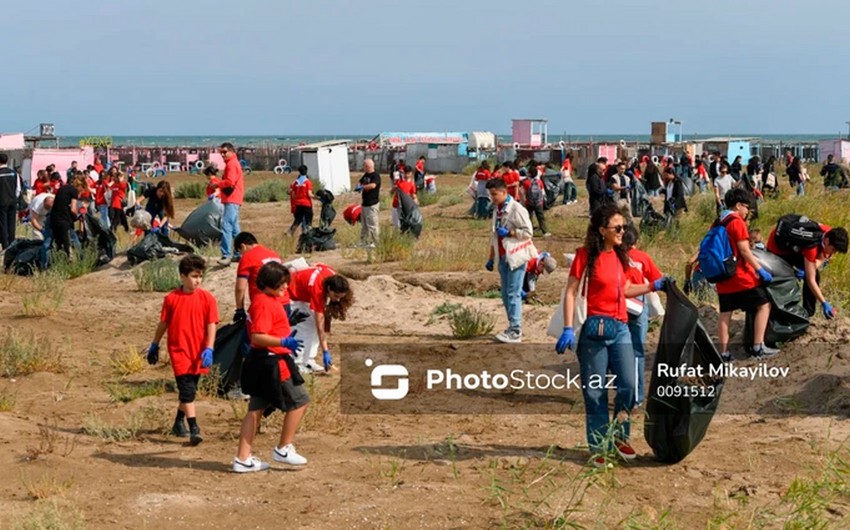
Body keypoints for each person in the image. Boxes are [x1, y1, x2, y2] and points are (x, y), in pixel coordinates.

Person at [555, 204, 669, 466]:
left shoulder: (620, 257)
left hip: (620, 329)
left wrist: (654, 286)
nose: (622, 232)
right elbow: (571, 292)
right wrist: (568, 328)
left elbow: (626, 289)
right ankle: (598, 447)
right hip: (594, 330)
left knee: (629, 385)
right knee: (595, 393)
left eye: (624, 227)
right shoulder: (585, 256)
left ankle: (620, 436)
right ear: (601, 230)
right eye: (617, 228)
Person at [232, 261, 308, 473]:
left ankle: (242, 458)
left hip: (263, 361)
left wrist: (287, 326)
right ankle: (283, 448)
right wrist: (283, 343)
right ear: (270, 282)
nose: (286, 287)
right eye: (282, 283)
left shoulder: (265, 300)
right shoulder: (264, 303)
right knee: (300, 401)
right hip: (271, 362)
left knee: (256, 410)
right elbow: (257, 336)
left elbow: (267, 328)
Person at [145, 255, 219, 445]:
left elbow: (211, 324)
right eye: (194, 276)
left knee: (190, 390)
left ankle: (178, 422)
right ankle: (194, 428)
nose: (198, 280)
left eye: (200, 276)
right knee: (187, 390)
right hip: (179, 351)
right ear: (182, 276)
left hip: (198, 352)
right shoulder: (171, 299)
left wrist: (209, 348)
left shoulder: (207, 299)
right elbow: (164, 323)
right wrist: (155, 343)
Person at [712, 188, 777, 361]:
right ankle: (758, 347)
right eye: (746, 207)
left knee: (725, 314)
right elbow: (745, 251)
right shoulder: (736, 222)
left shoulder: (719, 220)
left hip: (722, 276)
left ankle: (724, 353)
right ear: (739, 205)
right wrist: (760, 270)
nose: (747, 211)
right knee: (764, 304)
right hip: (740, 276)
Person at [484, 177, 534, 344]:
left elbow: (528, 232)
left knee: (513, 293)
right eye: (491, 195)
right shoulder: (497, 210)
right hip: (503, 257)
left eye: (494, 194)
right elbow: (494, 236)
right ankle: (512, 326)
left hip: (516, 257)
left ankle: (516, 329)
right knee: (506, 294)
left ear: (504, 192)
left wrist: (511, 233)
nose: (492, 198)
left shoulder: (516, 209)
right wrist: (491, 258)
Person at [767, 222, 848, 319]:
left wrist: (808, 270)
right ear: (826, 241)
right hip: (777, 249)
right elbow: (811, 280)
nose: (833, 253)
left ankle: (807, 314)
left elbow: (821, 258)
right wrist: (824, 302)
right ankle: (778, 312)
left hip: (797, 248)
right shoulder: (811, 247)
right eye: (833, 250)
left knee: (813, 273)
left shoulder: (829, 233)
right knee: (786, 278)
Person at [621, 225, 664, 406]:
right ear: (636, 242)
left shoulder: (614, 256)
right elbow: (656, 279)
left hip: (619, 303)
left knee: (619, 351)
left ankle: (622, 393)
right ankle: (637, 397)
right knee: (638, 351)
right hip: (638, 302)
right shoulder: (642, 257)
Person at [288, 264, 353, 373]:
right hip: (291, 294)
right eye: (336, 296)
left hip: (304, 294)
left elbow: (319, 265)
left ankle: (309, 359)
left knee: (312, 325)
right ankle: (298, 362)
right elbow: (320, 324)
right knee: (305, 327)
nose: (337, 300)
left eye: (340, 297)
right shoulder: (317, 290)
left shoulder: (333, 275)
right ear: (329, 289)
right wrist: (325, 351)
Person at [218, 142, 245, 265]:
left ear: (231, 151)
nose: (222, 154)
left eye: (224, 152)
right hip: (234, 198)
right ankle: (240, 252)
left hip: (231, 198)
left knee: (227, 226)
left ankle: (226, 255)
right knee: (234, 228)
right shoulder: (232, 164)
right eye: (221, 152)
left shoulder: (232, 164)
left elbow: (230, 182)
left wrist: (217, 184)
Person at [49, 175, 86, 256]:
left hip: (54, 219)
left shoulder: (62, 188)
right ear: (80, 186)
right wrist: (77, 215)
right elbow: (73, 209)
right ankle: (81, 258)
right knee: (74, 241)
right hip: (64, 220)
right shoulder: (74, 191)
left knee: (58, 244)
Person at [356, 158, 381, 246]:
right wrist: (358, 185)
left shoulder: (375, 176)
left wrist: (363, 187)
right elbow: (360, 181)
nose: (363, 167)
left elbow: (373, 185)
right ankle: (363, 241)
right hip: (365, 203)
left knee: (373, 224)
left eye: (364, 166)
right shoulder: (366, 175)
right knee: (364, 225)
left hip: (372, 204)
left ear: (368, 166)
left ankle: (375, 242)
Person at [521, 166, 551, 237]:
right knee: (540, 217)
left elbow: (524, 193)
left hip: (529, 202)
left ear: (529, 174)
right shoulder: (539, 182)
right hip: (539, 202)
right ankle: (545, 232)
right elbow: (543, 192)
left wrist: (524, 201)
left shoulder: (526, 182)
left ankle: (529, 231)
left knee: (529, 217)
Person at [0, 153, 21, 250]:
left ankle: (5, 246)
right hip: (12, 201)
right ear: (7, 161)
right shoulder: (14, 173)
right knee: (12, 224)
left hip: (2, 201)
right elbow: (18, 189)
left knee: (3, 224)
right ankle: (13, 245)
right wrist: (14, 198)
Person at [289, 165, 315, 237]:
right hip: (306, 204)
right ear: (306, 171)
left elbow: (293, 194)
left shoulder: (296, 182)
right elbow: (309, 194)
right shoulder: (307, 182)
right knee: (308, 220)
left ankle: (290, 233)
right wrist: (317, 198)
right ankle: (308, 234)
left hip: (298, 204)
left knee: (297, 220)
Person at [392, 165, 418, 229]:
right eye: (405, 173)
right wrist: (394, 188)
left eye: (408, 173)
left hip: (405, 206)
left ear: (411, 173)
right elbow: (392, 191)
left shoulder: (411, 183)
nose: (406, 175)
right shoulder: (399, 181)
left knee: (404, 222)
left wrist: (416, 202)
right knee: (396, 224)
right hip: (396, 204)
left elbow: (413, 194)